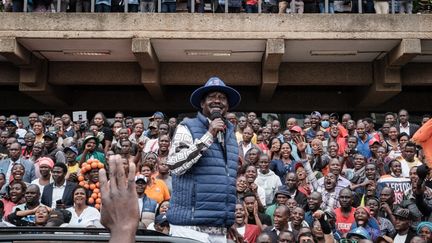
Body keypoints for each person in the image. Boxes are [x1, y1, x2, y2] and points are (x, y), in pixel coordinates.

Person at [166, 77, 241, 242]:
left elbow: (227, 180)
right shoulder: (186, 128)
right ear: (202, 103)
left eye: (222, 98)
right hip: (189, 227)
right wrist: (208, 135)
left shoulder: (231, 136)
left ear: (227, 105)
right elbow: (174, 166)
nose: (217, 101)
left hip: (220, 228)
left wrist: (228, 218)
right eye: (211, 97)